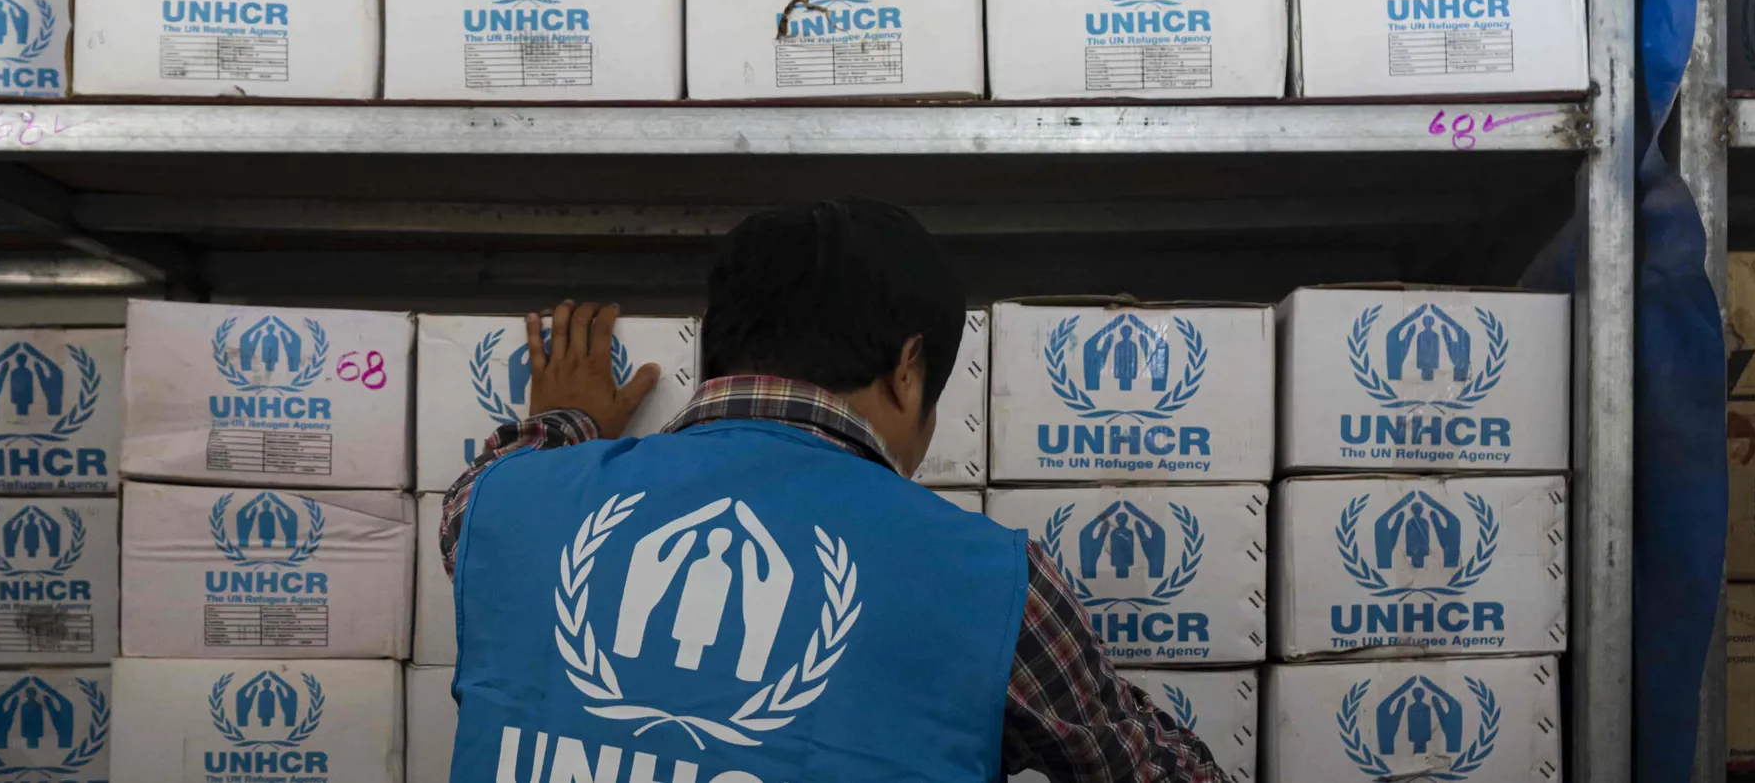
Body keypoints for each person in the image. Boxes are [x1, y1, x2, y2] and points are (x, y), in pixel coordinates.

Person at [440, 199, 1230, 782]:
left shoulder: (499, 506)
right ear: (910, 367)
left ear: (717, 344)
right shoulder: (994, 584)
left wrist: (565, 420)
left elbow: (489, 480)